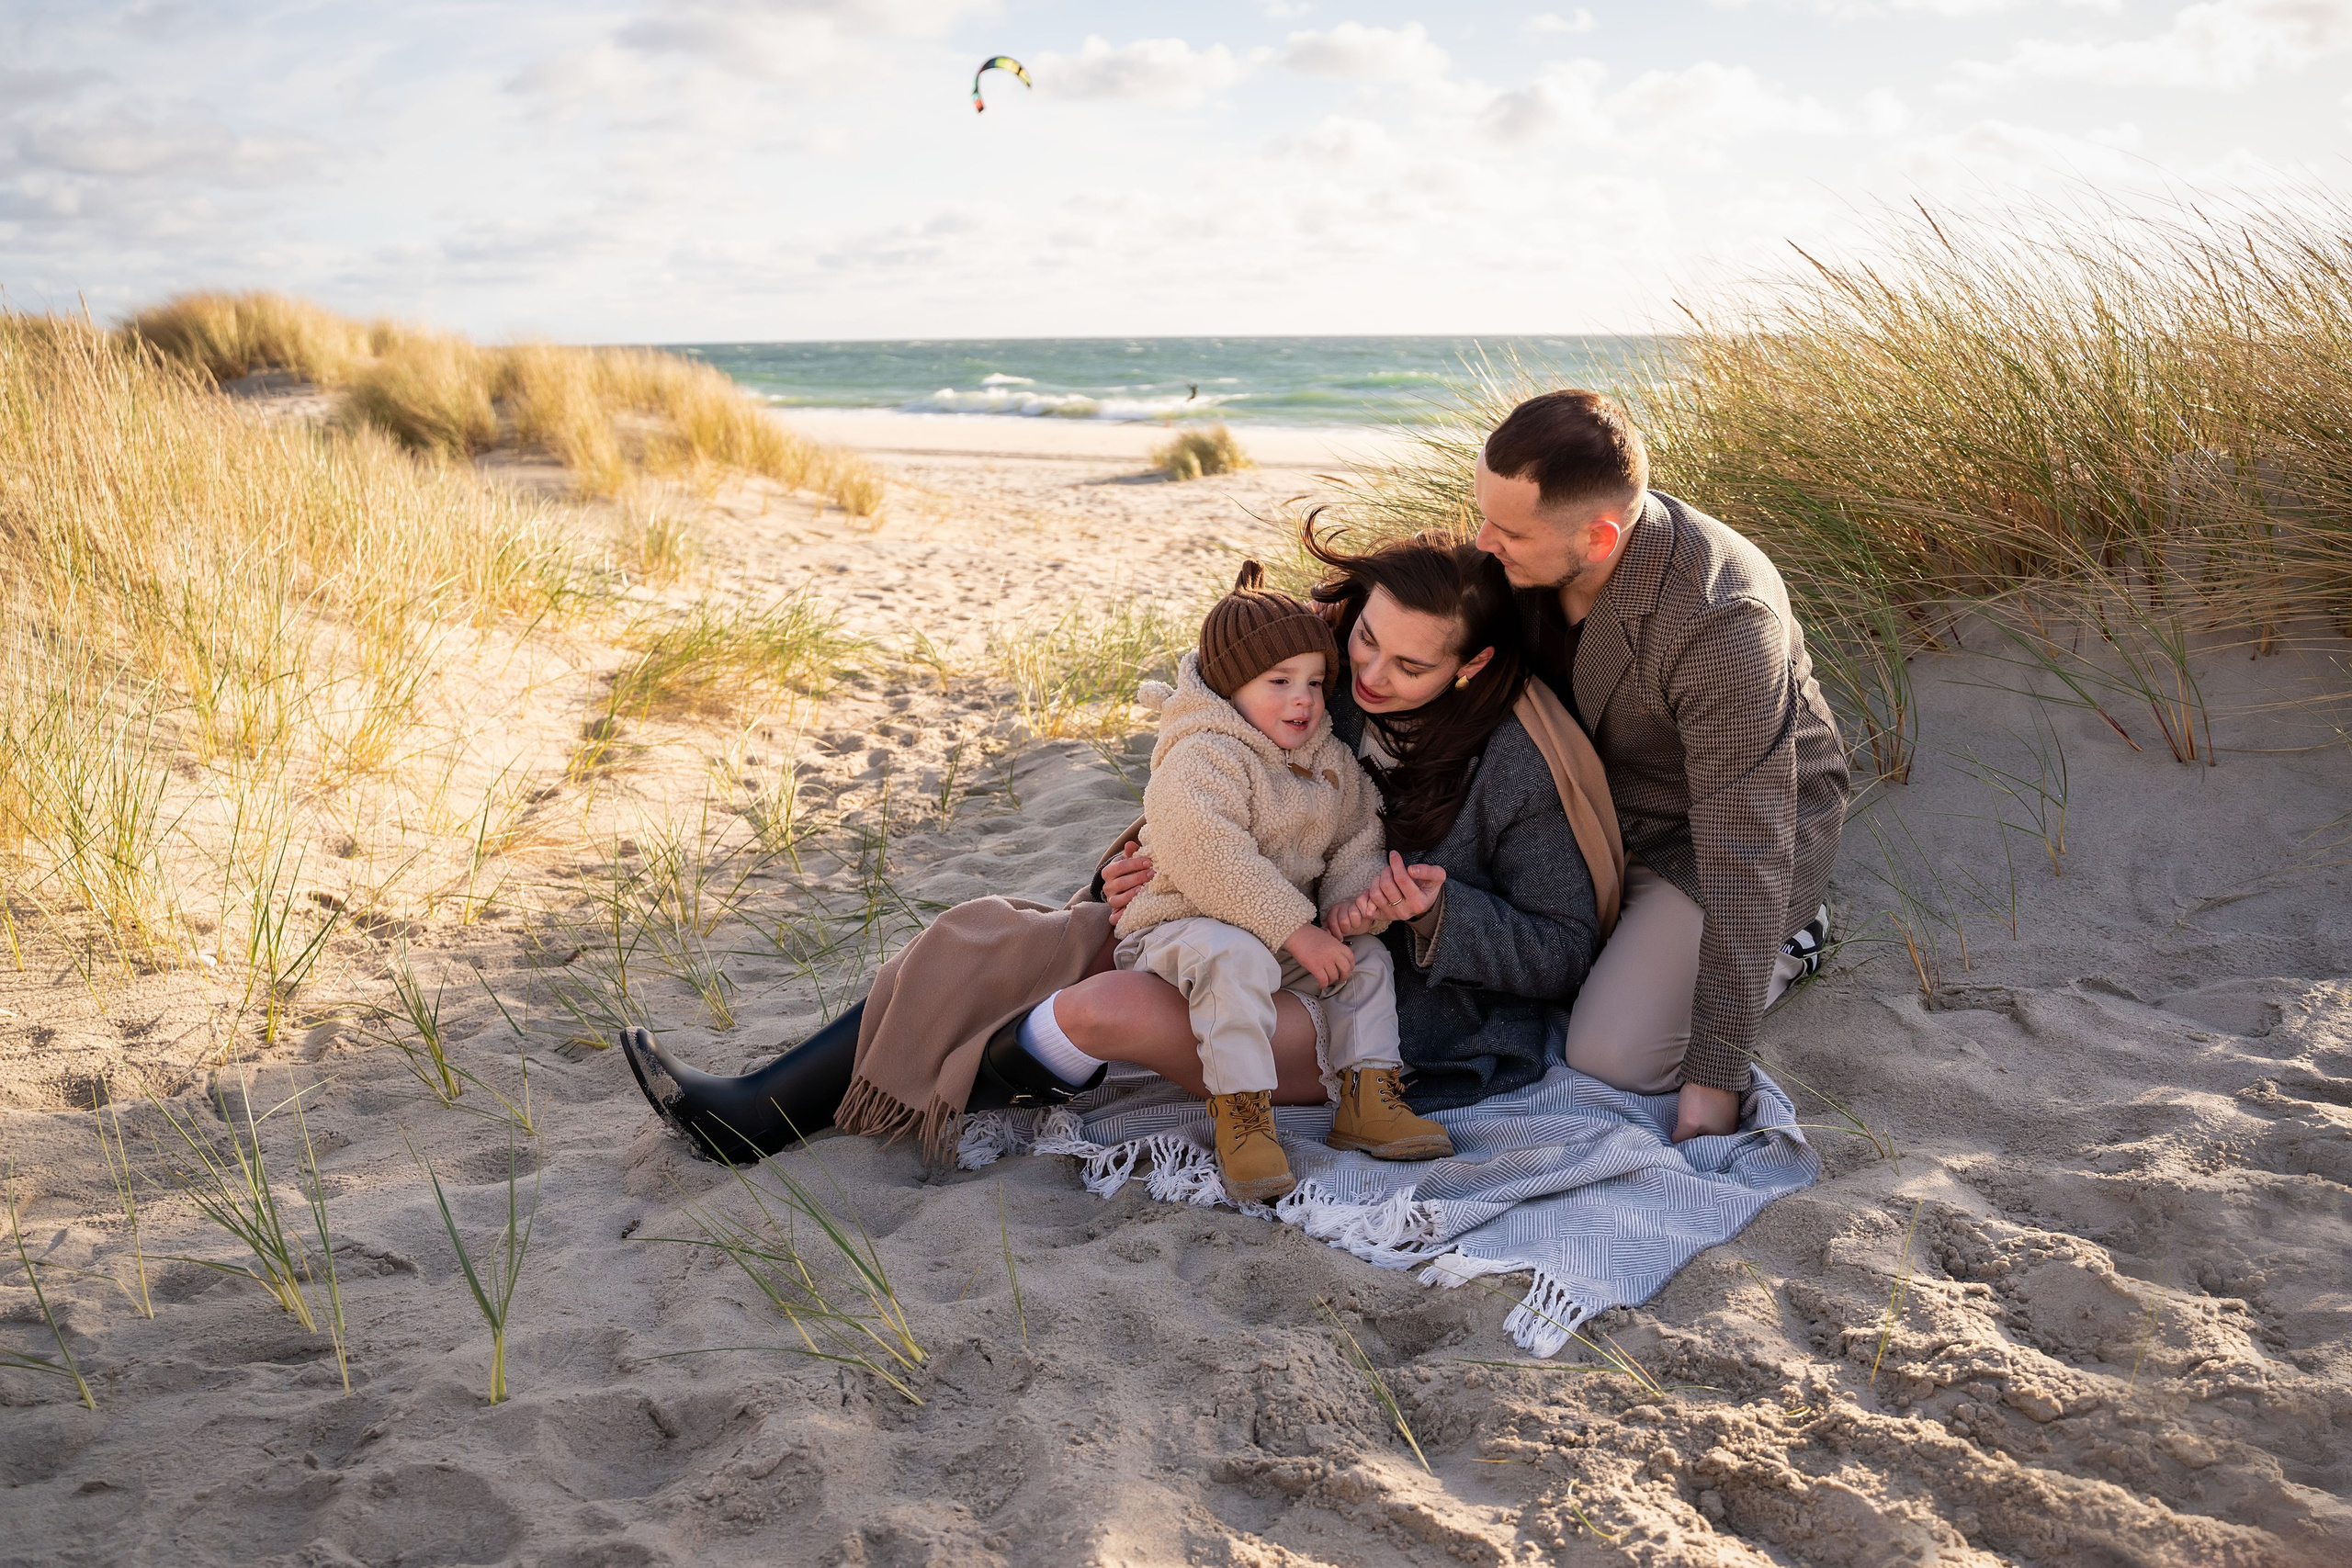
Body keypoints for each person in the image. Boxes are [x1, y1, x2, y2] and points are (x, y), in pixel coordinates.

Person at [618, 531, 1623, 1168]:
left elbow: (1563, 949)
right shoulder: (1321, 685)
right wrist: (1117, 873)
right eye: (1364, 643)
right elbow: (1206, 793)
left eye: (1410, 666)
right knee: (990, 934)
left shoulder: (1517, 766)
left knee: (1096, 1007)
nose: (1367, 675)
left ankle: (975, 1083)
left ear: (1472, 665)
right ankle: (758, 1108)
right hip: (1243, 931)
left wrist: (1435, 913)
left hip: (1383, 1009)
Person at [1471, 389, 1849, 1144]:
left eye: (1508, 529)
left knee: (1611, 1053)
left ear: (1601, 537)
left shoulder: (1723, 619)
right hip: (1594, 810)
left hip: (1713, 838)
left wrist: (1715, 1073)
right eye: (1480, 513)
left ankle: (1794, 940)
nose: (1482, 541)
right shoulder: (1533, 552)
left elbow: (1747, 846)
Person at [1100, 560, 1450, 1203]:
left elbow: (1355, 839)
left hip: (1279, 937)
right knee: (1231, 958)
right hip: (1180, 926)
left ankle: (1367, 1097)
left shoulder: (1327, 759)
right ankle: (1242, 1115)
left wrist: (1349, 909)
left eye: (1316, 682)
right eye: (1280, 681)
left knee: (1367, 959)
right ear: (1232, 687)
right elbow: (1210, 853)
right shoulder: (1202, 752)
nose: (1304, 700)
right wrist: (1299, 931)